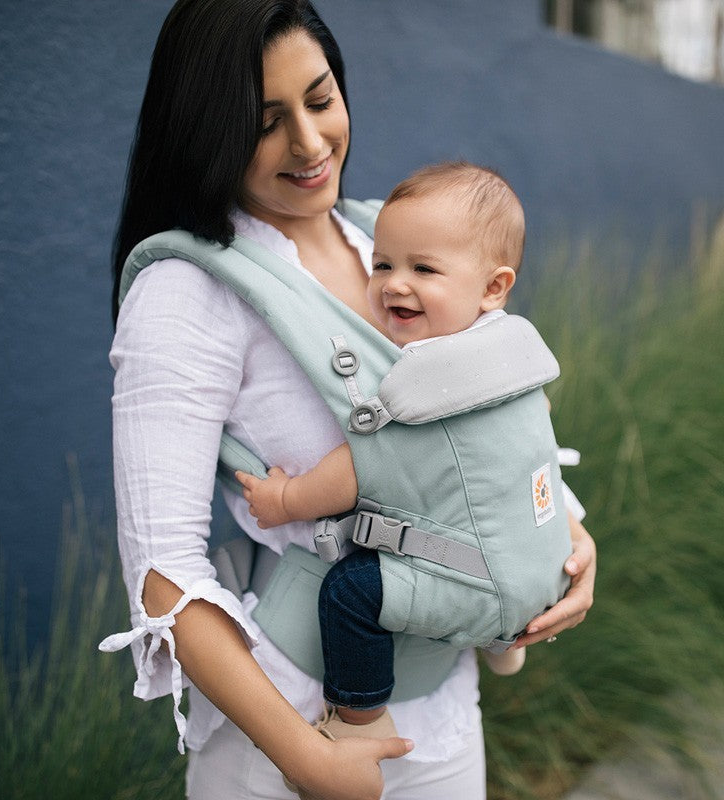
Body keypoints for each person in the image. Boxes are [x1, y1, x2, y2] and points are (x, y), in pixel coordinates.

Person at [99, 2, 596, 799]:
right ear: (208, 132)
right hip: (295, 721)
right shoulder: (187, 292)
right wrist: (304, 757)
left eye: (321, 99)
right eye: (266, 122)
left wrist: (566, 541)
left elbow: (488, 426)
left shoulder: (387, 243)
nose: (309, 142)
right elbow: (163, 572)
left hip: (444, 702)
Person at [236, 161, 573, 741]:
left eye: (423, 269)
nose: (394, 284)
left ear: (493, 287)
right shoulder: (513, 349)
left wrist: (287, 498)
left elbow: (366, 464)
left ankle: (361, 720)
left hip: (483, 584)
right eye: (383, 264)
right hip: (542, 563)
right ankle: (504, 643)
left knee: (350, 593)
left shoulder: (426, 375)